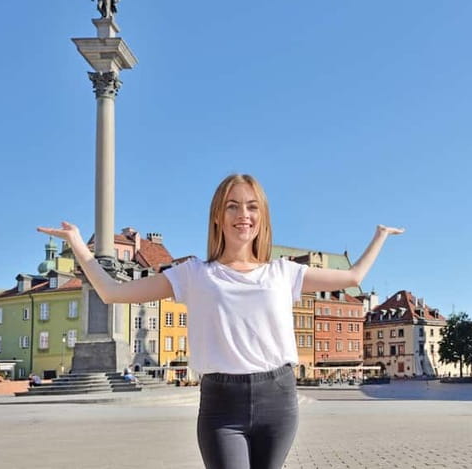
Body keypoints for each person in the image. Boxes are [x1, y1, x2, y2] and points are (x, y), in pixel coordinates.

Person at [38, 173, 403, 469]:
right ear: (218, 216)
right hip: (221, 402)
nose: (243, 214)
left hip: (277, 397)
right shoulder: (195, 274)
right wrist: (77, 243)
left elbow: (353, 277)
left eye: (251, 206)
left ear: (262, 217)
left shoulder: (283, 272)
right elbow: (113, 293)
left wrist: (380, 236)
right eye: (232, 206)